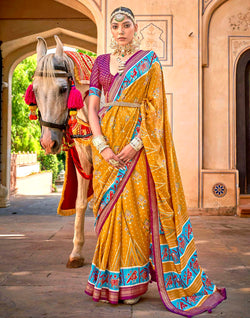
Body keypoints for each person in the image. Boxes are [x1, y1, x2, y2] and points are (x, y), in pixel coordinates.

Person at [85, 6, 226, 317]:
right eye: (115, 26)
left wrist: (135, 145)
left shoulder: (148, 63)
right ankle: (108, 283)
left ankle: (131, 284)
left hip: (137, 150)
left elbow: (155, 110)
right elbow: (92, 107)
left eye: (126, 25)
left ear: (135, 29)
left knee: (134, 214)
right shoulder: (101, 63)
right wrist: (102, 146)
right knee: (108, 216)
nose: (120, 30)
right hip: (106, 148)